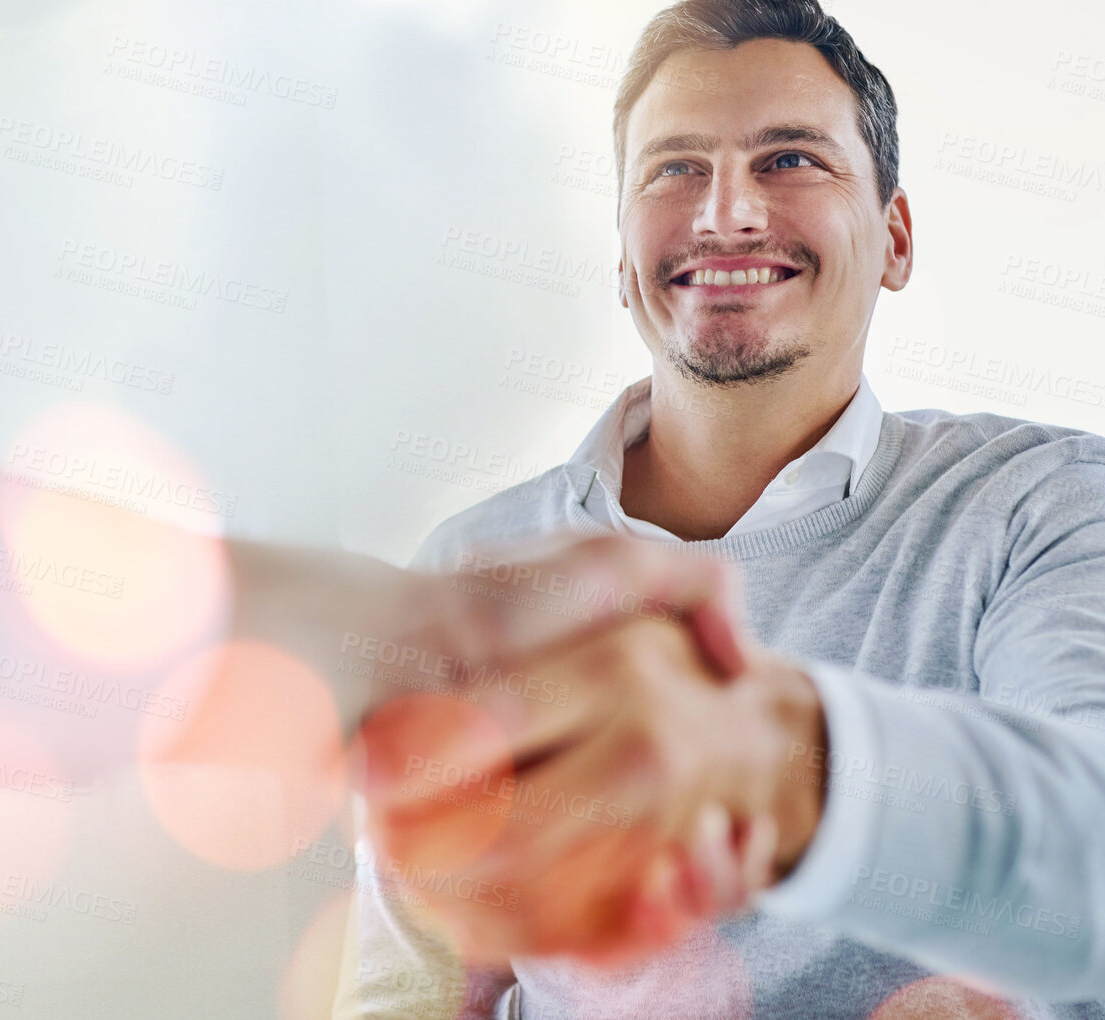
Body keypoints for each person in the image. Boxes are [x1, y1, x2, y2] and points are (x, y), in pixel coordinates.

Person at [331, 1, 1105, 1017]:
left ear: (894, 237)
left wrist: (771, 758)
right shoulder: (472, 565)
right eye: (675, 168)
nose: (725, 214)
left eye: (789, 160)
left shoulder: (1042, 505)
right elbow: (409, 989)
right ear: (619, 256)